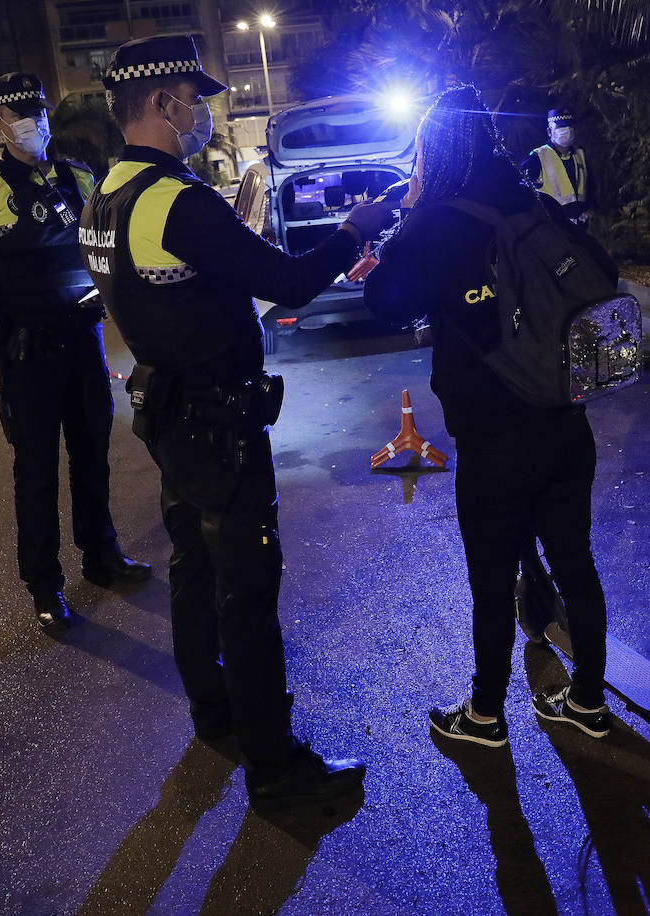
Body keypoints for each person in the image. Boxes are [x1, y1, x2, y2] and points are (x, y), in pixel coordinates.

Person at [77, 35, 395, 811]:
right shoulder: (175, 201)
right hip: (216, 425)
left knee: (194, 568)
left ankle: (214, 714)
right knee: (245, 594)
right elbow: (286, 280)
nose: (205, 113)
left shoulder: (104, 197)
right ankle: (277, 771)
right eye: (198, 97)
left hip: (167, 414)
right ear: (160, 102)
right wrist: (355, 230)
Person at [363, 85, 617, 747]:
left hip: (495, 437)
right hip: (566, 420)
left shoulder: (435, 220)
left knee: (490, 578)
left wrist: (405, 217)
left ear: (433, 151)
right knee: (576, 562)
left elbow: (384, 299)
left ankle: (484, 716)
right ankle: (587, 702)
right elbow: (603, 272)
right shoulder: (531, 204)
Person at [0, 71, 151, 630]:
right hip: (25, 351)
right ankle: (45, 584)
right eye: (17, 113)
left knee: (92, 458)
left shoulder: (79, 178)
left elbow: (107, 247)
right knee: (35, 472)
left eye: (37, 111)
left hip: (82, 342)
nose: (31, 122)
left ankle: (102, 557)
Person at [520, 107, 592, 228]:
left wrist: (590, 208)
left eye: (569, 126)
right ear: (549, 131)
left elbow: (589, 185)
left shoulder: (580, 153)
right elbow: (523, 192)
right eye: (560, 127)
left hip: (580, 228)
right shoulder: (538, 156)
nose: (567, 130)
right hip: (553, 230)